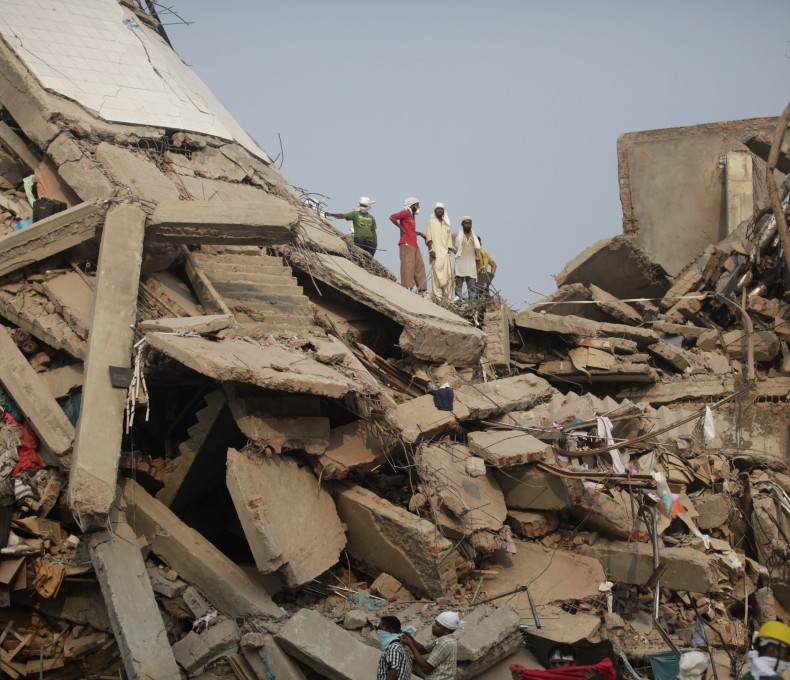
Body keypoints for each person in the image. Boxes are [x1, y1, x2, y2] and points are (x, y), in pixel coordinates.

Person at [401, 611, 463, 680]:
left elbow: (426, 668)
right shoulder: (445, 638)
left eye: (438, 625)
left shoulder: (445, 643)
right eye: (435, 622)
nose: (433, 625)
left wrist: (410, 644)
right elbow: (423, 650)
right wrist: (411, 639)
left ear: (446, 630)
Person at [390, 197, 428, 293]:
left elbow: (411, 230)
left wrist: (420, 234)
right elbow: (392, 217)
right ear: (412, 205)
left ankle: (422, 289)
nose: (418, 206)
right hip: (406, 242)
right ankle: (407, 287)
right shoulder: (406, 212)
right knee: (408, 264)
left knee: (419, 266)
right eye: (417, 204)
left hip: (414, 243)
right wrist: (401, 228)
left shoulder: (411, 216)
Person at [425, 203, 455, 299]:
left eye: (441, 209)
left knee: (449, 276)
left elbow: (449, 239)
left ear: (444, 211)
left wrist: (450, 251)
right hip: (436, 253)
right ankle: (437, 296)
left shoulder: (446, 224)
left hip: (446, 254)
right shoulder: (431, 222)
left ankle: (447, 298)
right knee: (436, 275)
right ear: (435, 211)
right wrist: (431, 250)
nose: (440, 211)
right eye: (438, 209)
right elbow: (428, 237)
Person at [453, 216, 480, 300]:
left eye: (469, 223)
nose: (468, 225)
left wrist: (478, 265)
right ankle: (459, 303)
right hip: (460, 264)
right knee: (458, 287)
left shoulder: (474, 238)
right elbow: (448, 244)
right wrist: (455, 252)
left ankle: (472, 307)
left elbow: (477, 252)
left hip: (471, 265)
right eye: (466, 223)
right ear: (462, 224)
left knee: (472, 288)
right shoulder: (457, 235)